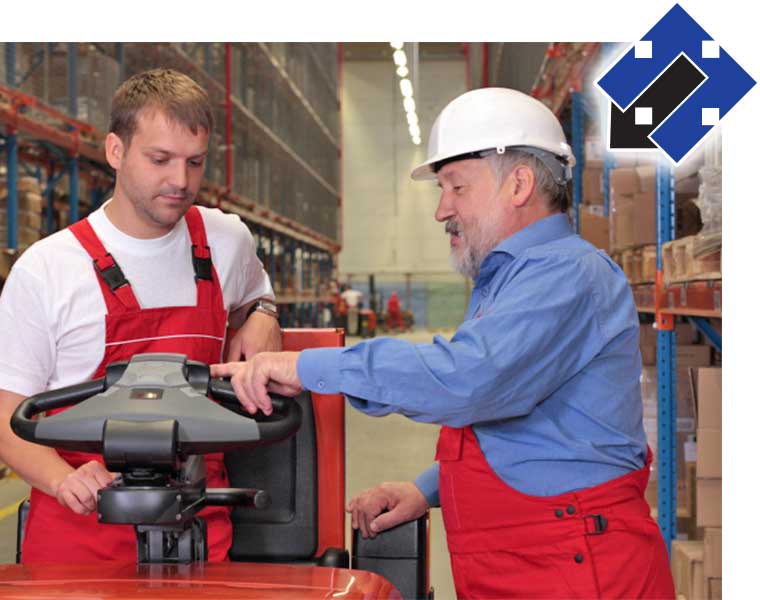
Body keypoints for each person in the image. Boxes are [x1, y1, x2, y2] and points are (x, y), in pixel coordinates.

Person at [212, 88, 674, 598]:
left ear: (518, 184)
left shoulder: (566, 275)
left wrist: (309, 367)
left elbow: (466, 379)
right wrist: (427, 489)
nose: (441, 210)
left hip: (581, 570)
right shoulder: (509, 279)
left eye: (456, 188)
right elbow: (524, 430)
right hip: (540, 560)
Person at [0, 68, 281, 564]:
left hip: (200, 532)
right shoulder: (48, 269)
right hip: (80, 533)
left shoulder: (226, 240)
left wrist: (263, 312)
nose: (180, 180)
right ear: (115, 151)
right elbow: (6, 416)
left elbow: (257, 295)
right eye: (160, 160)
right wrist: (64, 479)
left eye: (195, 163)